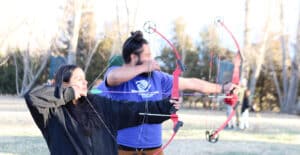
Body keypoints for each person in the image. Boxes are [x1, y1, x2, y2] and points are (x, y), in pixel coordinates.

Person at [101, 30, 236, 155]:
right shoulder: (118, 72)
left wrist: (223, 88)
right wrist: (143, 67)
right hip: (123, 149)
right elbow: (113, 78)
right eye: (147, 55)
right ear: (133, 57)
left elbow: (192, 83)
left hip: (154, 150)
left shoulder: (158, 77)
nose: (152, 59)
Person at [24, 64, 179, 155]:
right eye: (78, 79)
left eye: (84, 79)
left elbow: (132, 110)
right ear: (63, 84)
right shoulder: (52, 112)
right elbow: (32, 97)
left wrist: (166, 107)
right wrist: (70, 93)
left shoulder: (97, 103)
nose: (84, 82)